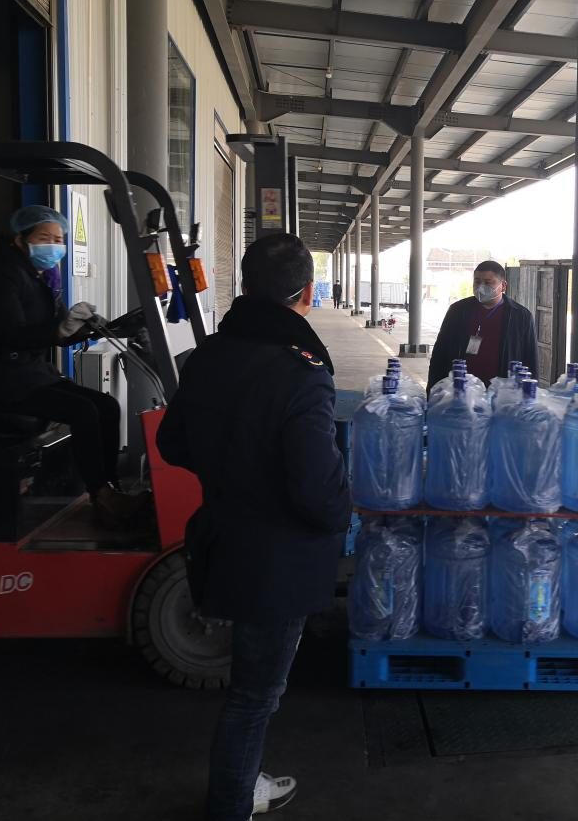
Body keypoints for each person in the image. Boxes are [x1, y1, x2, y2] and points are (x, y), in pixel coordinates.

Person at [156, 232, 351, 821]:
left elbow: (172, 444)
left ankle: (241, 781)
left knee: (248, 688)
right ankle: (232, 802)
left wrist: (230, 466)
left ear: (244, 285)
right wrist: (343, 514)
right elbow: (317, 489)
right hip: (279, 562)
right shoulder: (303, 372)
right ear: (307, 293)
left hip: (222, 539)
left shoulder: (208, 356)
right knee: (254, 696)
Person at [0, 204, 144, 528]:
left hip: (26, 374)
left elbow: (56, 333)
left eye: (58, 239)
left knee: (107, 406)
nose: (53, 246)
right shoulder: (2, 275)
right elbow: (10, 333)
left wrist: (87, 328)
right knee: (83, 411)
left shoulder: (41, 277)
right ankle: (101, 494)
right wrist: (60, 329)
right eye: (44, 238)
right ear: (19, 239)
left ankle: (110, 489)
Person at [427, 260, 538, 391]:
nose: (480, 287)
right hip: (461, 390)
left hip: (502, 393)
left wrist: (530, 393)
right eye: (477, 281)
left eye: (487, 282)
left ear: (503, 286)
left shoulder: (521, 316)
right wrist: (432, 392)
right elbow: (439, 354)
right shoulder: (457, 311)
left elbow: (530, 359)